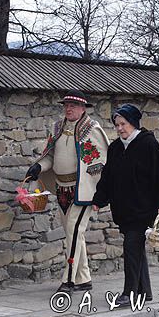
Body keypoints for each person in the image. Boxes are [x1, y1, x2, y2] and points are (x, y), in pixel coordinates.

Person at [25, 90, 110, 294]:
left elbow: (100, 161)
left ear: (83, 109)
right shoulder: (58, 128)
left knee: (73, 230)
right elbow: (50, 156)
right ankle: (84, 278)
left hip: (83, 191)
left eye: (73, 105)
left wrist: (95, 188)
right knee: (73, 233)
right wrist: (39, 167)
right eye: (66, 105)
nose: (68, 108)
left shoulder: (92, 130)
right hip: (62, 189)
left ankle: (69, 279)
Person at [91, 104, 159, 307]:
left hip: (144, 207)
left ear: (133, 123)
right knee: (135, 248)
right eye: (116, 125)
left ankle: (129, 293)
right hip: (124, 208)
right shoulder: (116, 148)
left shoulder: (148, 144)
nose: (119, 128)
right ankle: (146, 291)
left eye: (123, 124)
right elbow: (107, 177)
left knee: (131, 246)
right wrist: (99, 200)